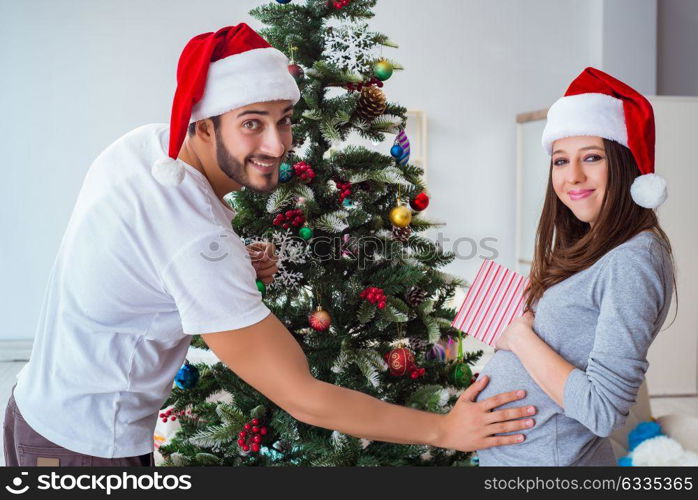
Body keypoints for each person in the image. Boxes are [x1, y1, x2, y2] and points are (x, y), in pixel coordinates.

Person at [3, 23, 535, 467]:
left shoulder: (144, 146)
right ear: (203, 126)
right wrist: (445, 431)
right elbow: (302, 396)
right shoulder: (194, 246)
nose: (277, 144)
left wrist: (230, 255)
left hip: (34, 403)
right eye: (251, 124)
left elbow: (152, 249)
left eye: (284, 121)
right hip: (85, 445)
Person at [474, 67, 677, 466]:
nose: (573, 177)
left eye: (592, 157)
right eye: (561, 161)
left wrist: (518, 337)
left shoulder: (633, 260)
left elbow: (602, 411)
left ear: (623, 164)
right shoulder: (596, 246)